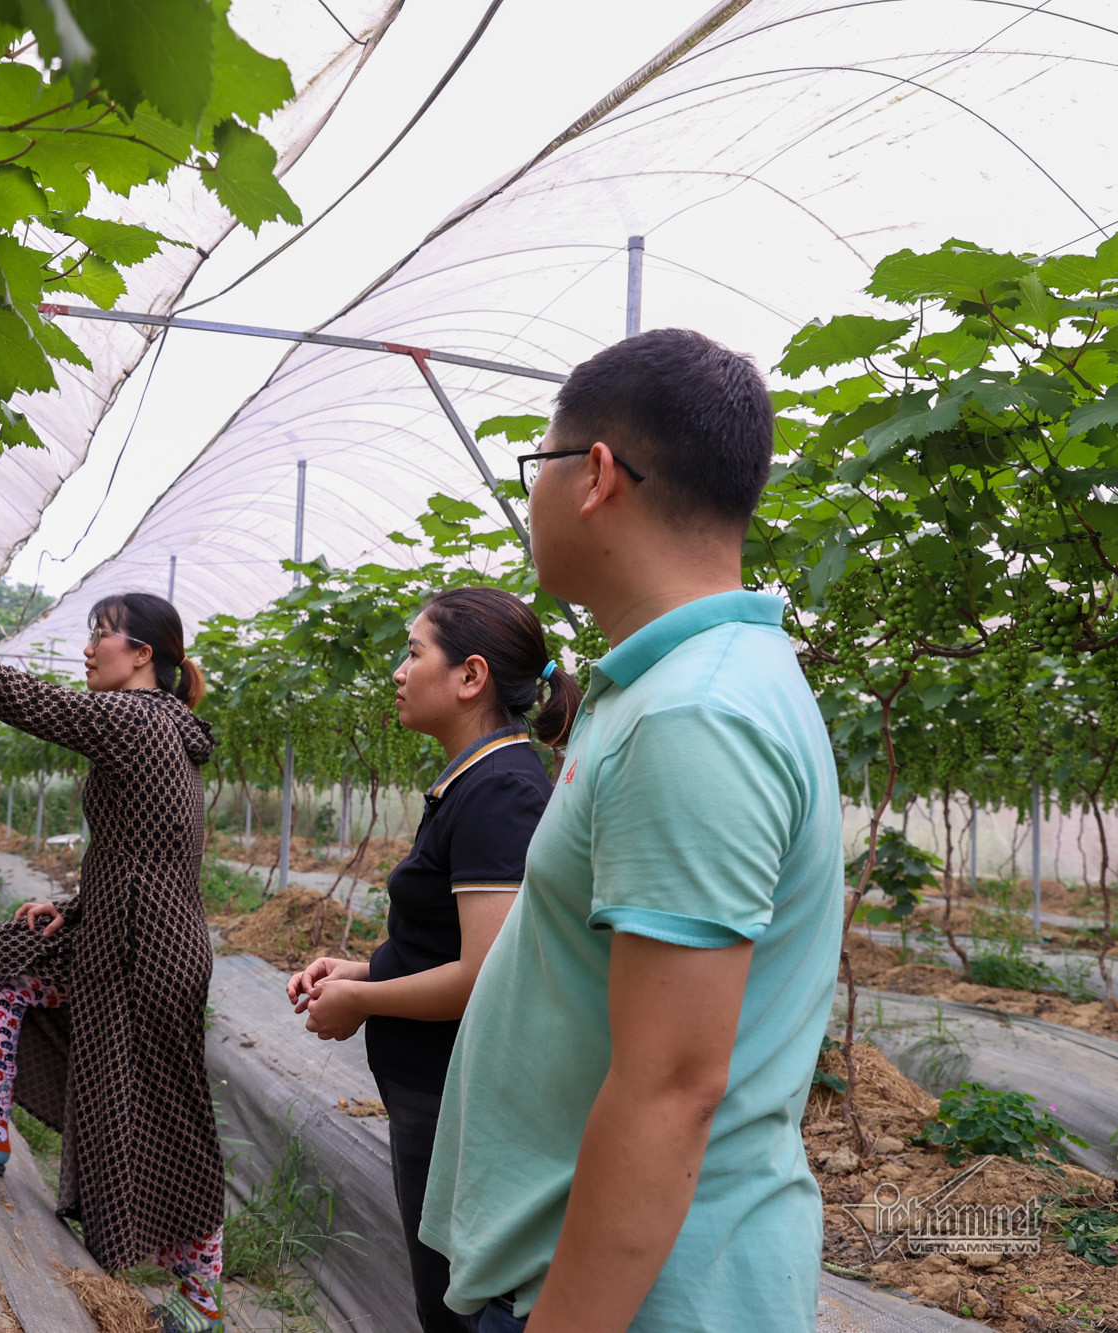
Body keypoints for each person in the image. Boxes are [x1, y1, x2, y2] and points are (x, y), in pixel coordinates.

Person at [420, 328, 844, 1333]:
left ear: (594, 474)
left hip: (633, 1302)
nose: (528, 495)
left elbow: (670, 1087)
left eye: (537, 464)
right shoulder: (661, 686)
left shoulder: (694, 716)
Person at [0, 587, 227, 1333]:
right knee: (1, 970)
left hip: (148, 953)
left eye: (103, 635)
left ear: (142, 654)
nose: (90, 648)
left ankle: (204, 1302)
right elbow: (140, 849)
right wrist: (75, 910)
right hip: (122, 933)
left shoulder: (135, 717)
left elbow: (19, 696)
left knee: (166, 1112)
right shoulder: (160, 726)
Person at [284, 586, 578, 1333]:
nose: (398, 670)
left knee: (454, 1304)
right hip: (433, 1085)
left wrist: (365, 1001)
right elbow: (449, 943)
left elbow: (486, 975)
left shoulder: (501, 791)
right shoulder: (474, 779)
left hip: (458, 1092)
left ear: (470, 676)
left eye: (414, 652)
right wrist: (359, 970)